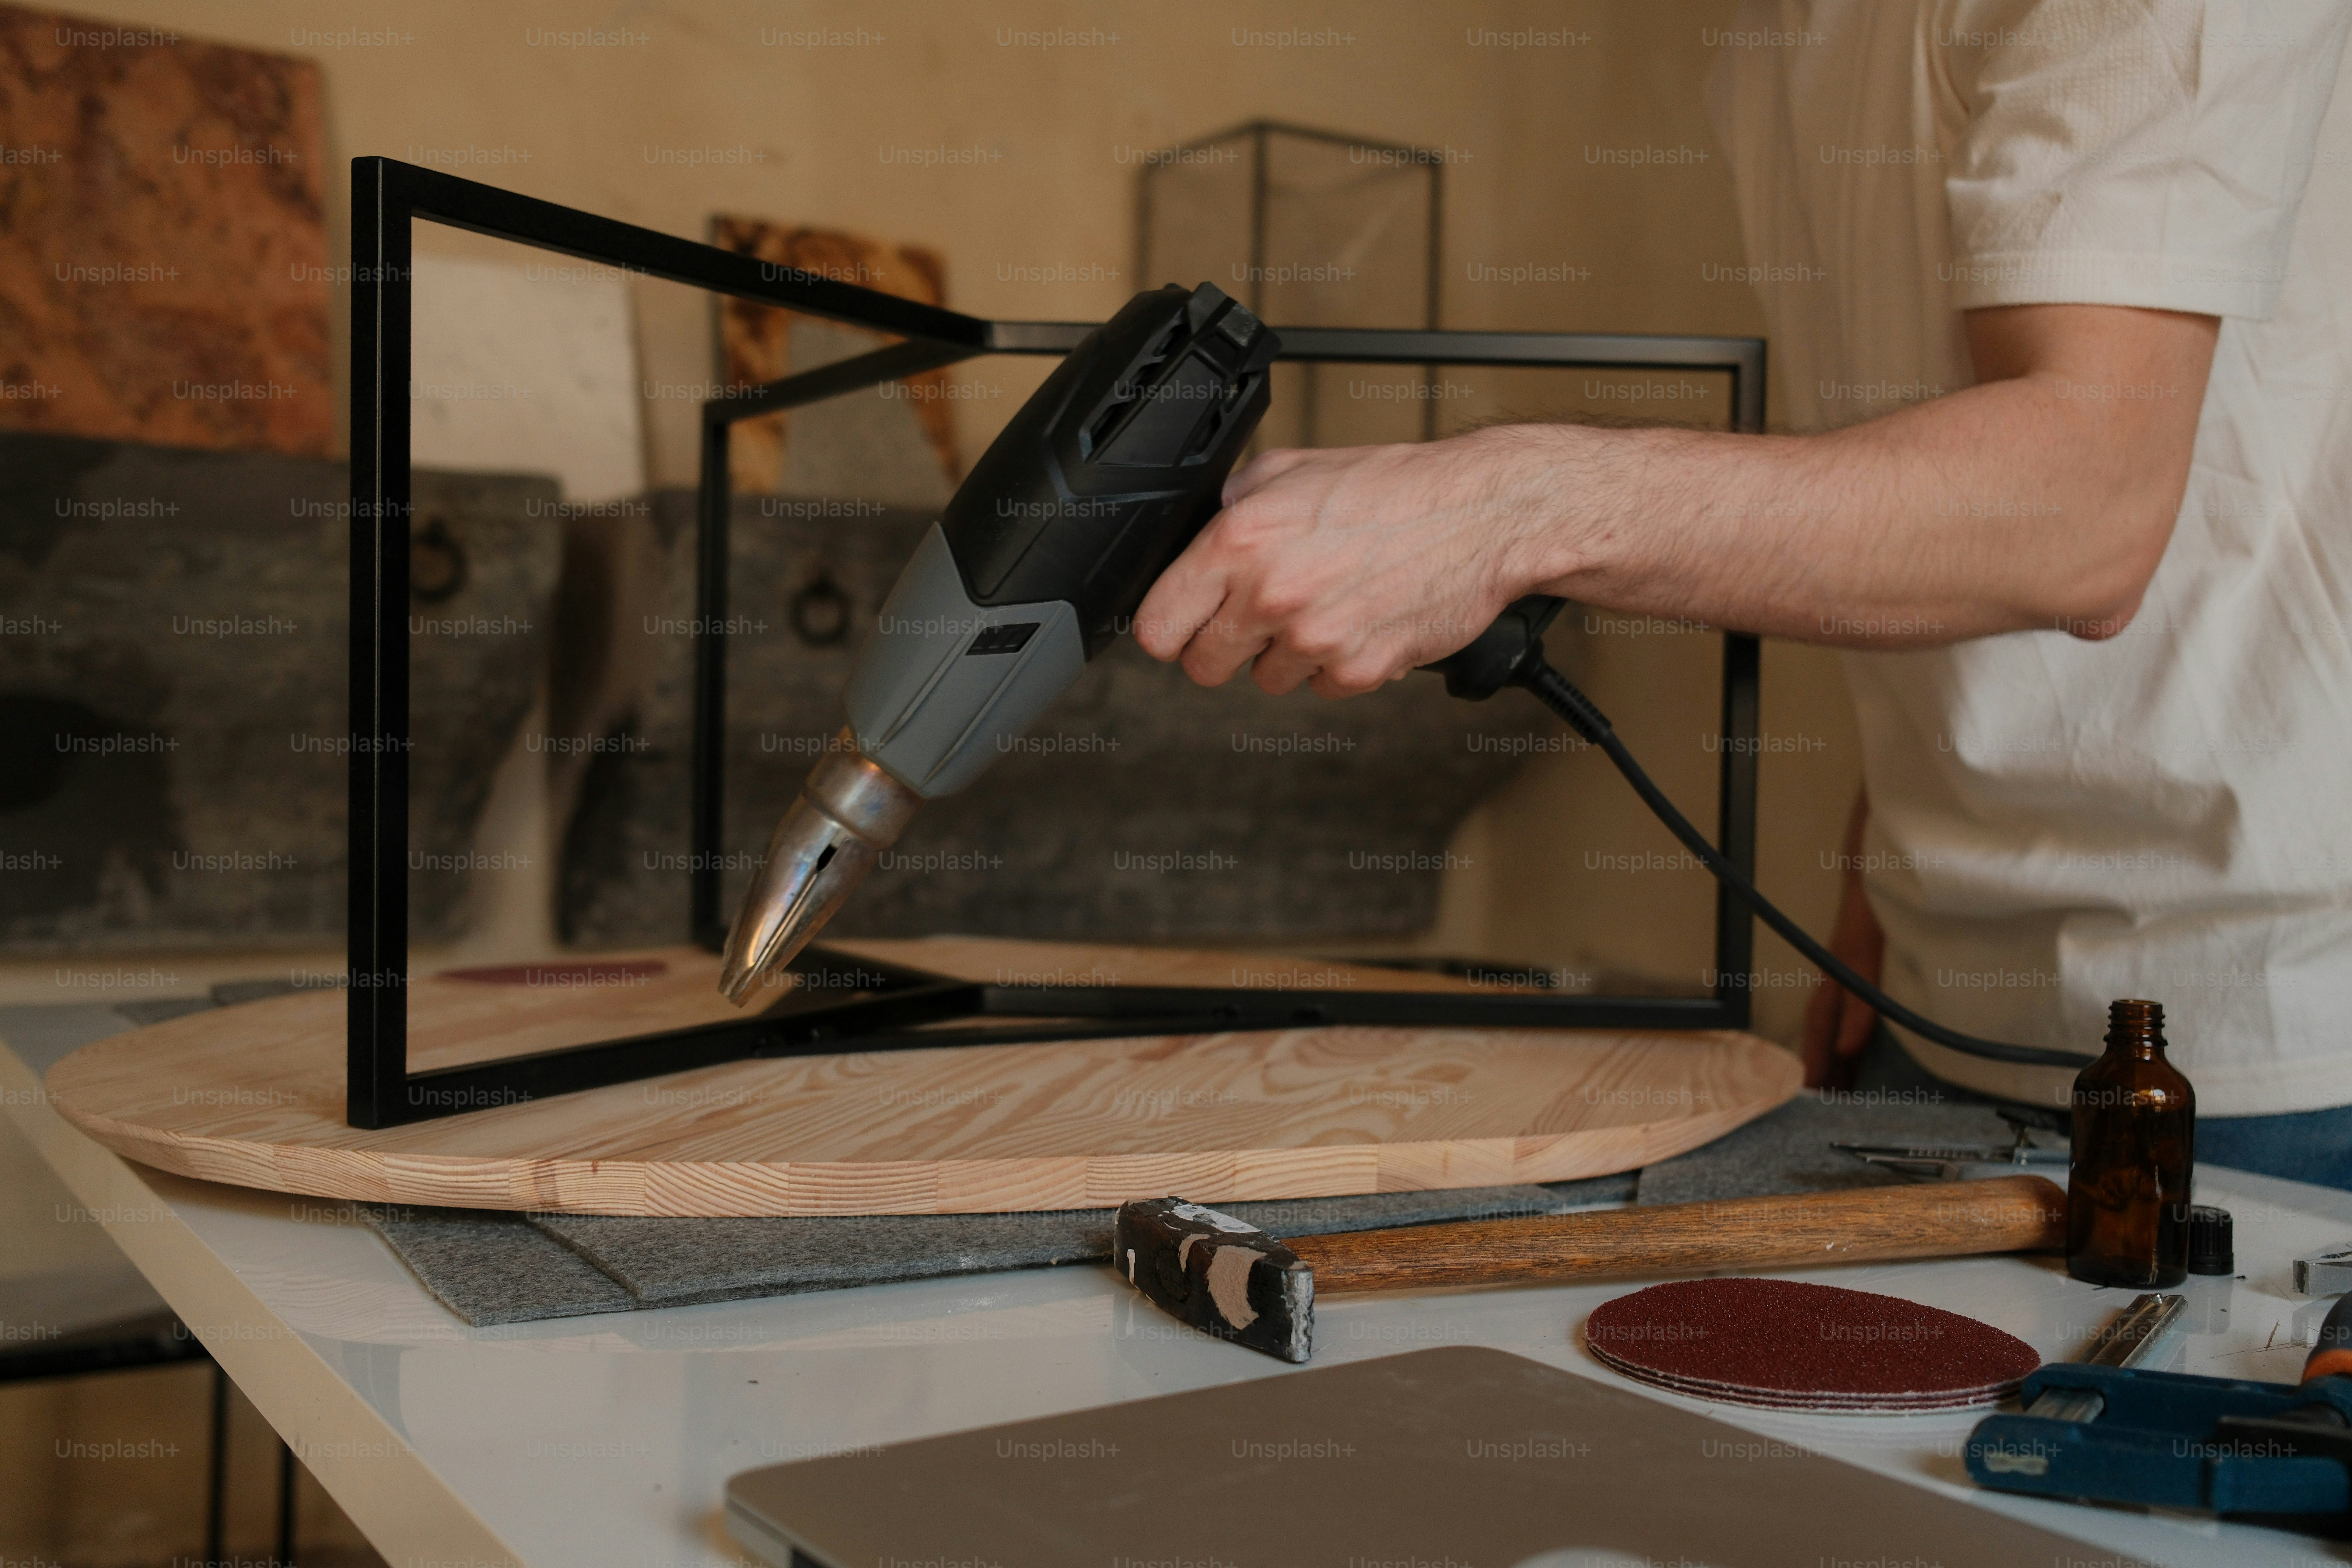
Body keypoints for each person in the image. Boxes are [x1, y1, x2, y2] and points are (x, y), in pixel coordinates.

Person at [1132, 3, 2352, 1185]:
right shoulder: (1776, 33)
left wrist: (1505, 507)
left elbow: (2086, 513)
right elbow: (1937, 473)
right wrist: (1892, 847)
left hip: (2267, 1033)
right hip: (1933, 992)